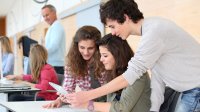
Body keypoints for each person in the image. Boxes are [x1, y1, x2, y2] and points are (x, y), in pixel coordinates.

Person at [65, 0, 200, 112]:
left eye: (112, 26)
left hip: (195, 89)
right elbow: (158, 77)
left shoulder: (154, 32)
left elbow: (130, 76)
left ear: (125, 18)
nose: (112, 32)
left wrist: (86, 96)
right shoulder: (150, 32)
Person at [62, 34, 151, 112]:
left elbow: (121, 108)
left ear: (118, 55)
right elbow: (103, 97)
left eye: (105, 55)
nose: (101, 59)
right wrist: (73, 98)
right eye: (101, 55)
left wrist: (87, 104)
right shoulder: (112, 73)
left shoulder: (138, 75)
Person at [43, 25, 107, 108]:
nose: (86, 52)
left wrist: (84, 96)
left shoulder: (104, 61)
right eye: (82, 47)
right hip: (85, 105)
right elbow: (68, 88)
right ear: (76, 46)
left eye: (90, 48)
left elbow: (107, 90)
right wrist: (60, 99)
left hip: (104, 104)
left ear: (97, 47)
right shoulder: (72, 63)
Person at [41, 4, 66, 74]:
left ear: (54, 13)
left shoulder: (57, 27)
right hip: (53, 64)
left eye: (47, 15)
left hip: (56, 66)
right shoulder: (52, 27)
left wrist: (40, 53)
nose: (45, 18)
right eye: (43, 16)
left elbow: (54, 46)